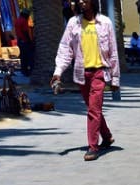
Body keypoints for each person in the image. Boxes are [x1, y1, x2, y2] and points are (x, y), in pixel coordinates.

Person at [51, 0, 120, 161]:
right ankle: (107, 136)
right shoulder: (73, 24)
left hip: (99, 73)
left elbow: (113, 52)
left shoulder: (105, 23)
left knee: (93, 110)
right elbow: (65, 49)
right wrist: (58, 72)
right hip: (81, 74)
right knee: (92, 108)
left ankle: (93, 147)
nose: (81, 1)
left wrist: (115, 79)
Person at [15, 8, 34, 76]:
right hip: (24, 41)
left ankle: (24, 71)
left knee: (23, 57)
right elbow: (25, 32)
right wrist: (29, 41)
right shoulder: (23, 21)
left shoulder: (17, 20)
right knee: (29, 56)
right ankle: (30, 70)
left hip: (20, 41)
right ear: (25, 15)